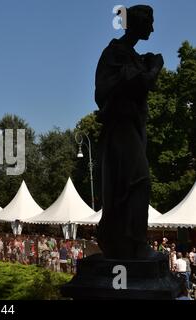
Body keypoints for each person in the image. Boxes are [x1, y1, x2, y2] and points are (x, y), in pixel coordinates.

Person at [95, 5, 164, 259]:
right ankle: (134, 243)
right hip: (121, 129)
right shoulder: (115, 53)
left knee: (130, 184)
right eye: (150, 23)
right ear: (136, 24)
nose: (153, 28)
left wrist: (144, 67)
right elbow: (133, 84)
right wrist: (155, 66)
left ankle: (127, 242)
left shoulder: (130, 56)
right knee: (140, 181)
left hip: (134, 128)